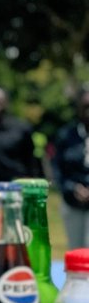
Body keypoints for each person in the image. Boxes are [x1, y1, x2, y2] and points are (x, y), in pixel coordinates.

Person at [53, 85, 89, 248]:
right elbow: (57, 168)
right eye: (85, 107)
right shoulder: (66, 135)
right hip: (72, 201)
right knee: (76, 249)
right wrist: (72, 187)